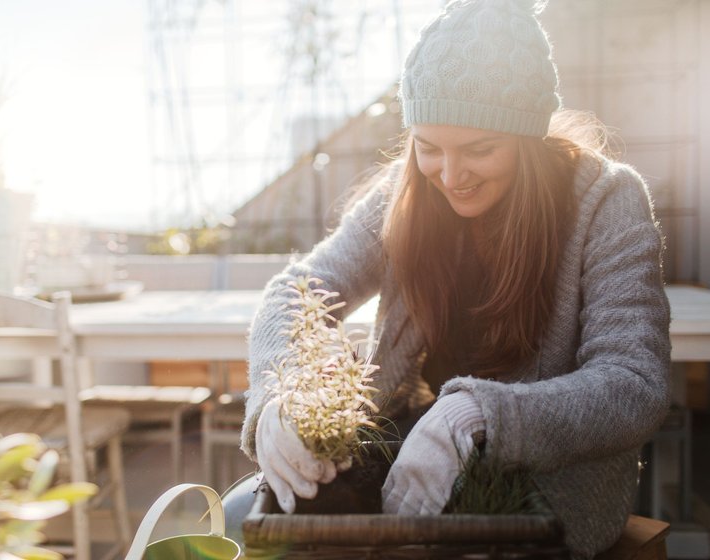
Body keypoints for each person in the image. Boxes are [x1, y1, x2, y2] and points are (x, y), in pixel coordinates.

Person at [239, 0, 672, 557]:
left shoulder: (606, 200)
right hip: (409, 445)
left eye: (479, 149)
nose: (449, 174)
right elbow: (295, 291)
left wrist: (476, 415)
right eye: (428, 147)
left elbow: (634, 382)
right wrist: (283, 393)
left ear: (528, 138)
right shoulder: (404, 191)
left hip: (549, 484)